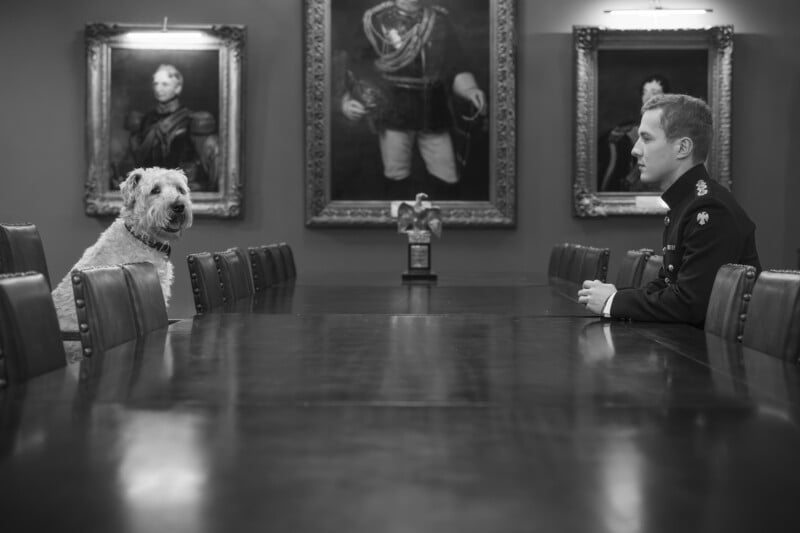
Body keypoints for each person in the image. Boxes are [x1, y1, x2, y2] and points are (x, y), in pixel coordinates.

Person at [578, 94, 761, 327]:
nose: (635, 150)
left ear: (682, 147)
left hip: (714, 360)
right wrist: (615, 295)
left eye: (646, 138)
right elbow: (668, 284)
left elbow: (689, 304)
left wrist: (612, 301)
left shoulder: (710, 209)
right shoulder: (687, 203)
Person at [340, 0, 486, 199]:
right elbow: (356, 68)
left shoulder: (440, 20)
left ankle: (443, 226)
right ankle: (401, 227)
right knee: (396, 174)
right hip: (393, 108)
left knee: (447, 176)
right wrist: (348, 100)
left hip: (433, 109)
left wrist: (470, 89)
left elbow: (455, 65)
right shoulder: (375, 20)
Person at [127, 64, 216, 191]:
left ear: (178, 88)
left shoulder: (190, 120)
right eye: (155, 84)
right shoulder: (146, 120)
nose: (158, 89)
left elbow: (206, 166)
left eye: (165, 84)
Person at [599, 74, 670, 192]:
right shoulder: (630, 129)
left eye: (654, 92)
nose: (648, 97)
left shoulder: (673, 127)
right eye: (645, 92)